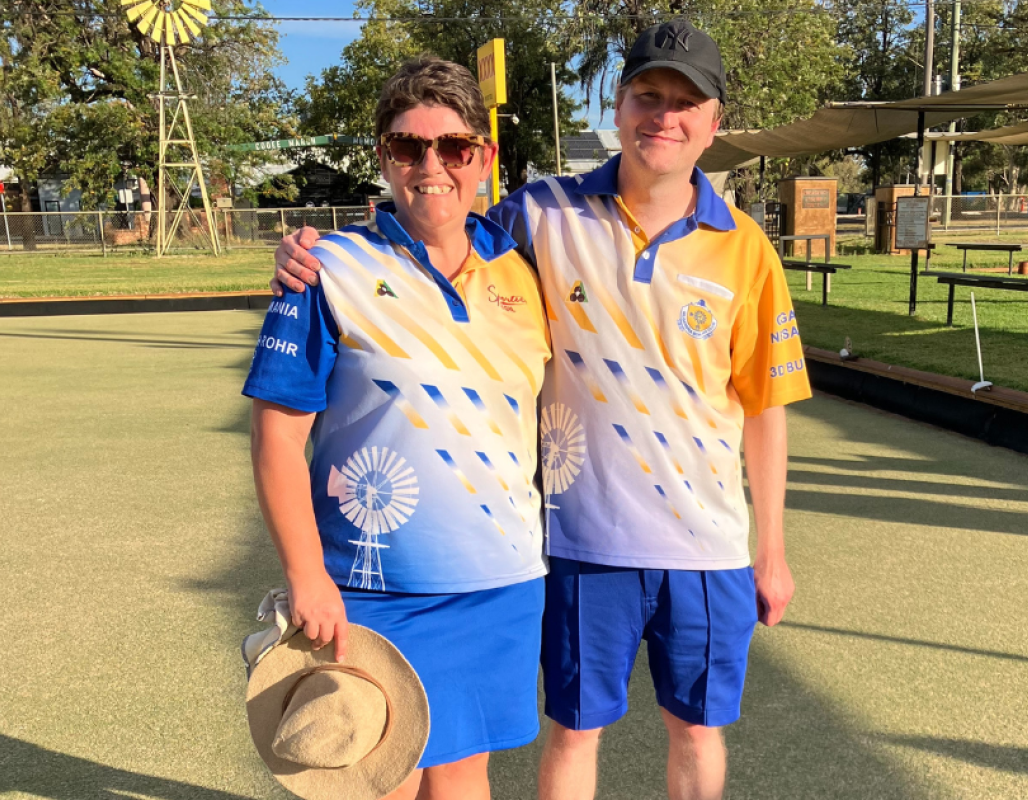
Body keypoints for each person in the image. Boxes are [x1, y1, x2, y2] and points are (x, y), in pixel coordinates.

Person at [273, 20, 811, 800]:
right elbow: (436, 235)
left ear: (713, 123)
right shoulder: (538, 215)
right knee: (574, 731)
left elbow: (764, 408)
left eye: (685, 102)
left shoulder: (749, 249)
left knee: (698, 728)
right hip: (579, 544)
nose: (664, 115)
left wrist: (773, 548)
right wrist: (309, 255)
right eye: (647, 96)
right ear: (619, 107)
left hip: (711, 545)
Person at [246, 55, 551, 800]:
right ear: (383, 156)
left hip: (501, 581)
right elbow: (277, 438)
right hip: (373, 589)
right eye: (407, 147)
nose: (431, 166)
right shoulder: (328, 270)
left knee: (464, 775)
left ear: (484, 157)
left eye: (453, 147)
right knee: (374, 783)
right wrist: (307, 576)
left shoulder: (525, 269)